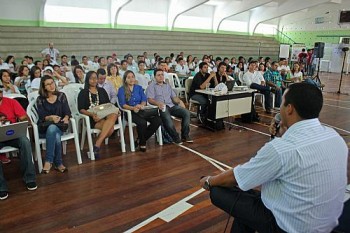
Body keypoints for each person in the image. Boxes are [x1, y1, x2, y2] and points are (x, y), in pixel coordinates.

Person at [200, 83, 348, 233]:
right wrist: (279, 136)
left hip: (289, 227)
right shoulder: (335, 136)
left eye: (283, 103)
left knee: (218, 190)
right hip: (325, 222)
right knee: (245, 210)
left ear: (289, 108)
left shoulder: (282, 149)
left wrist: (208, 181)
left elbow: (237, 177)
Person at [0, 87, 37, 200]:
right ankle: (1, 187)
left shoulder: (11, 102)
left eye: (0, 90)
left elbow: (24, 117)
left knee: (25, 142)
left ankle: (30, 178)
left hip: (12, 134)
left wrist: (23, 119)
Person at [118, 70, 161, 152]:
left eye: (133, 77)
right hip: (130, 112)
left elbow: (144, 99)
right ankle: (142, 143)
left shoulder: (139, 88)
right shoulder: (122, 89)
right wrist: (133, 108)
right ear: (125, 79)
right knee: (142, 122)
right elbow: (123, 105)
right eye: (129, 77)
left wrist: (141, 105)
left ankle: (140, 139)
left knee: (158, 120)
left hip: (141, 110)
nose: (131, 79)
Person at [78, 71, 118, 158]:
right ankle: (96, 146)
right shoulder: (83, 92)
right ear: (87, 80)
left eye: (95, 78)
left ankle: (97, 144)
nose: (94, 80)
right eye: (91, 78)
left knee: (114, 114)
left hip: (105, 116)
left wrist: (115, 110)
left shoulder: (102, 90)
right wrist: (92, 114)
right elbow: (81, 109)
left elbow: (108, 105)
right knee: (110, 130)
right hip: (92, 118)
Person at [147, 69, 192, 144]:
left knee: (186, 113)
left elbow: (174, 97)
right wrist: (158, 104)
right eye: (158, 75)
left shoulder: (167, 85)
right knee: (167, 118)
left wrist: (180, 101)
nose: (161, 77)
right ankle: (175, 137)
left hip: (171, 105)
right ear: (155, 77)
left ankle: (185, 135)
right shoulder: (151, 86)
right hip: (161, 107)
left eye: (162, 75)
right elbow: (150, 100)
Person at [36, 75, 70, 173]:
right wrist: (51, 118)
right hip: (44, 128)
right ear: (44, 87)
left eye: (52, 83)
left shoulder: (61, 96)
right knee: (52, 129)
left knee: (54, 129)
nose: (51, 86)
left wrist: (66, 118)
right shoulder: (40, 99)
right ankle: (58, 163)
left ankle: (48, 161)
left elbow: (67, 112)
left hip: (60, 125)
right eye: (48, 84)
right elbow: (42, 117)